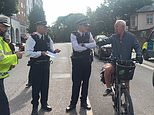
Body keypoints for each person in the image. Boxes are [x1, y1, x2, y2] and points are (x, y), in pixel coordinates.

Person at [98, 20, 143, 96]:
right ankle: (109, 89)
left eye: (116, 26)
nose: (115, 28)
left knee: (126, 83)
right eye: (115, 26)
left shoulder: (131, 37)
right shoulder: (113, 37)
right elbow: (106, 40)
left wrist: (139, 54)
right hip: (114, 61)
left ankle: (127, 101)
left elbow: (137, 46)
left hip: (126, 63)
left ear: (123, 27)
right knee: (107, 69)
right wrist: (100, 42)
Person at [25, 20, 60, 115]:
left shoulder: (48, 38)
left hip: (46, 65)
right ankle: (34, 107)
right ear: (38, 27)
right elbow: (27, 53)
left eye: (46, 27)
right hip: (36, 66)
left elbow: (50, 50)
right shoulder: (32, 38)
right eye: (44, 27)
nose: (46, 28)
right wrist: (40, 53)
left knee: (45, 86)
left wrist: (54, 51)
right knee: (36, 87)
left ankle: (44, 104)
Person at [66, 18, 96, 112]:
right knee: (76, 83)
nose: (87, 27)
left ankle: (84, 102)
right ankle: (72, 103)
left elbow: (94, 44)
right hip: (77, 62)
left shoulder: (88, 34)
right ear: (79, 26)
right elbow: (76, 48)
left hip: (87, 61)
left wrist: (84, 45)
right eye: (85, 25)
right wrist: (87, 46)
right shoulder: (73, 34)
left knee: (86, 82)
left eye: (87, 25)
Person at [0, 17, 22, 115]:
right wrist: (16, 56)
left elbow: (6, 56)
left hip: (1, 76)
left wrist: (11, 64)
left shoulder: (2, 41)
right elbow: (1, 59)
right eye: (4, 27)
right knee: (3, 105)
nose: (6, 29)